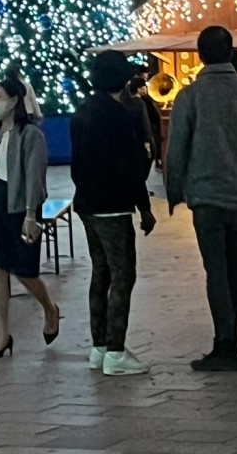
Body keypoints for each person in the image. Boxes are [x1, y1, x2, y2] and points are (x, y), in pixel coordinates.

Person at [166, 25, 237, 372]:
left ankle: (224, 345)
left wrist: (173, 190)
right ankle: (232, 340)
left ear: (200, 55)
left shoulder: (191, 96)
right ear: (230, 53)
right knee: (234, 268)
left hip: (207, 198)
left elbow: (176, 148)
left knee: (216, 271)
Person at [71, 49, 156, 376]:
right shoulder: (118, 114)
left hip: (88, 204)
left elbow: (77, 166)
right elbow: (129, 166)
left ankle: (100, 346)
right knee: (123, 274)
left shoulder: (82, 112)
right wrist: (144, 208)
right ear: (122, 79)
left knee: (101, 273)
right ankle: (117, 352)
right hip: (112, 207)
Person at [0, 77, 60, 357]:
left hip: (21, 206)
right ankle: (3, 334)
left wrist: (32, 214)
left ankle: (50, 308)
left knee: (24, 271)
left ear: (12, 101)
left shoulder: (31, 135)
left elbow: (34, 177)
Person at [124, 75, 157, 180]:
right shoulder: (140, 103)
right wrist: (148, 142)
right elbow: (145, 123)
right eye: (144, 86)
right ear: (139, 89)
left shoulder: (127, 103)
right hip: (143, 141)